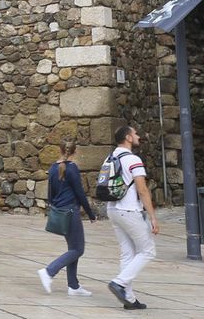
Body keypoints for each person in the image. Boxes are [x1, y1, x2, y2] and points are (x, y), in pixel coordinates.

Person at [104, 124, 157, 310]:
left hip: (112, 209)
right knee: (148, 251)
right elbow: (142, 190)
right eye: (135, 134)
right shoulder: (133, 159)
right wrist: (152, 217)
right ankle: (119, 283)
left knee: (128, 253)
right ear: (128, 137)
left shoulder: (110, 157)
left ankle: (129, 298)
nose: (138, 136)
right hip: (128, 210)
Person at [38, 139, 97, 297]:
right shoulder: (72, 168)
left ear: (60, 150)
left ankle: (73, 286)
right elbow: (80, 193)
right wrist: (90, 214)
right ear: (75, 152)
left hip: (60, 211)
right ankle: (49, 271)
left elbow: (50, 194)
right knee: (78, 249)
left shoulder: (52, 168)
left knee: (73, 249)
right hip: (71, 212)